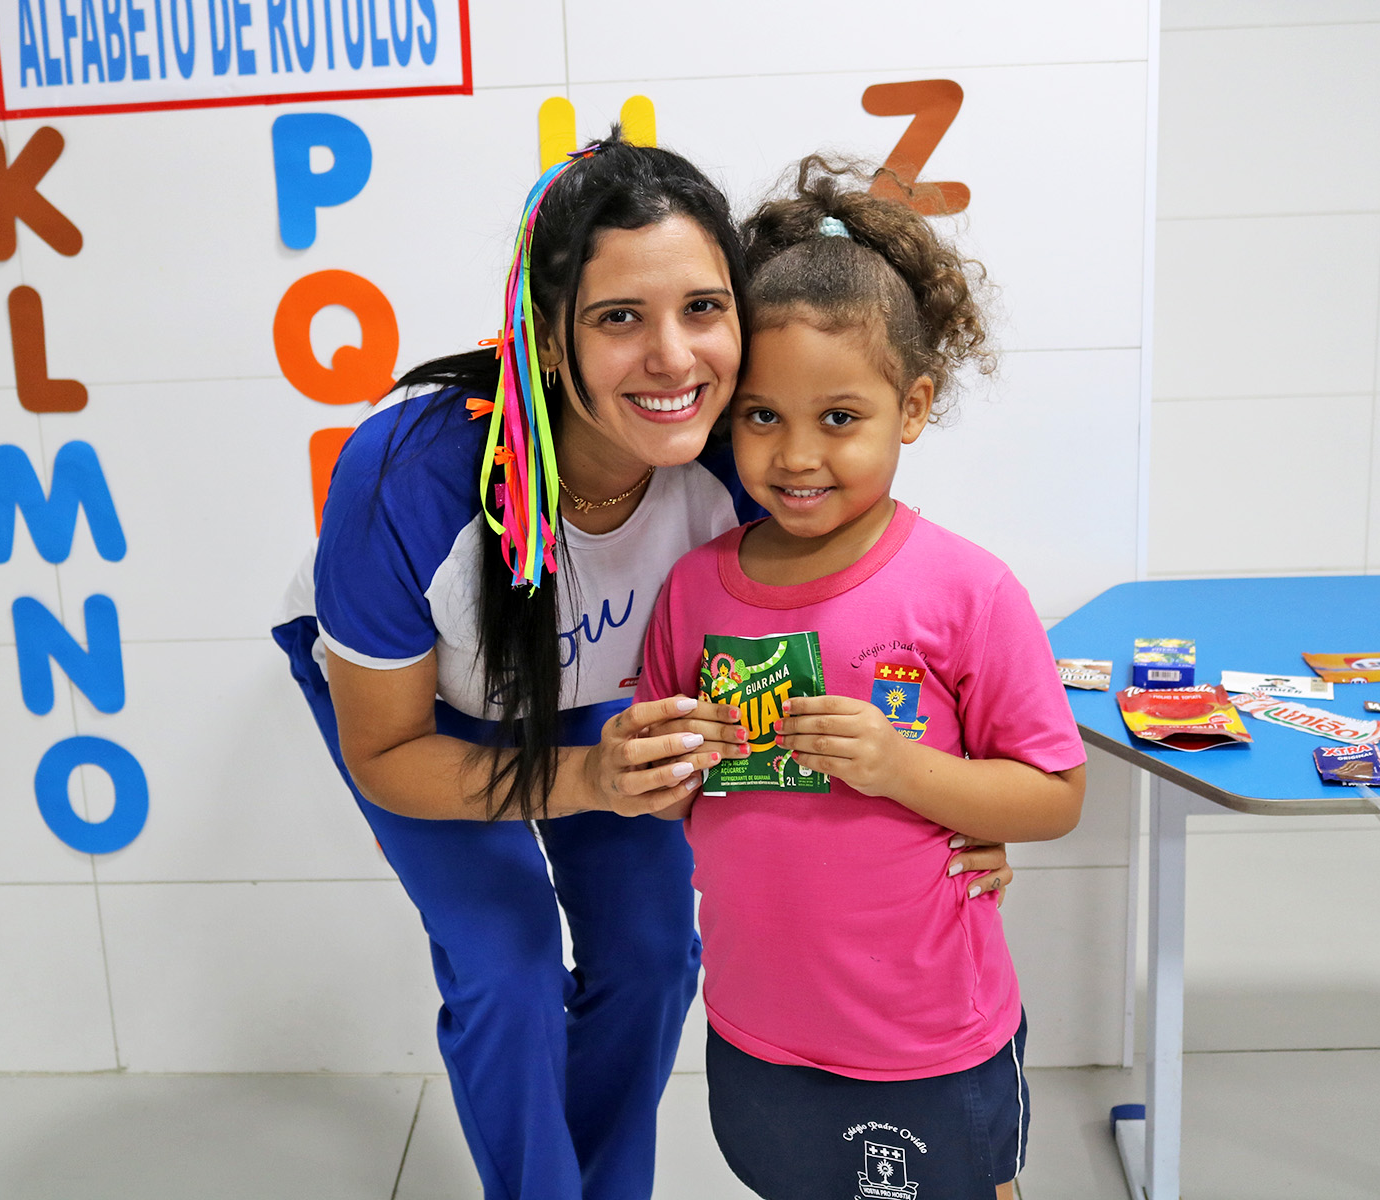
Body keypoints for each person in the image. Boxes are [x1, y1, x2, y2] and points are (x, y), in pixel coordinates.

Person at [272, 134, 1016, 1200]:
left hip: (613, 708)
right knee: (508, 969)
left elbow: (878, 644)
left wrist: (957, 801)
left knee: (655, 956)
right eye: (620, 317)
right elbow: (387, 753)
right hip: (419, 718)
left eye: (703, 308)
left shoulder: (748, 457)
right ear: (548, 335)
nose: (674, 358)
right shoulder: (406, 479)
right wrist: (585, 778)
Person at [635, 157, 1088, 1200]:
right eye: (761, 416)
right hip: (758, 1022)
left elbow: (1054, 796)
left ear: (912, 406)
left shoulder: (968, 591)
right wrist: (674, 760)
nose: (796, 456)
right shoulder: (694, 589)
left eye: (839, 417)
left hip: (926, 1035)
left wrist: (900, 768)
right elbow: (662, 785)